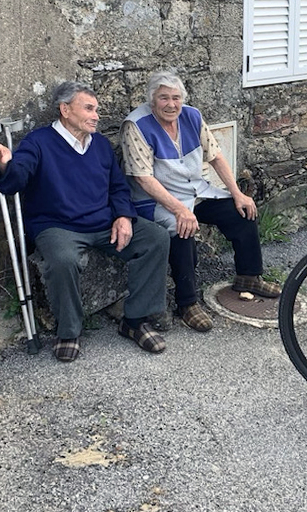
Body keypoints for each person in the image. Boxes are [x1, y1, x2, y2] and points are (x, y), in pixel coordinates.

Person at [0, 81, 170, 362]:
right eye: (89, 108)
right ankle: (69, 331)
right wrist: (5, 165)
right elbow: (15, 182)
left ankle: (134, 321)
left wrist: (123, 215)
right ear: (65, 109)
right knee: (62, 258)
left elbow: (117, 187)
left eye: (97, 109)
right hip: (57, 225)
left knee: (156, 238)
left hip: (103, 222)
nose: (96, 115)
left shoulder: (101, 146)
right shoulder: (39, 142)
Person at [119, 70, 281, 332]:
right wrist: (180, 210)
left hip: (195, 190)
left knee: (240, 211)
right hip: (156, 199)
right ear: (152, 100)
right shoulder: (136, 125)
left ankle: (248, 276)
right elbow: (142, 179)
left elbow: (215, 156)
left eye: (176, 98)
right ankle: (187, 303)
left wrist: (238, 193)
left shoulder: (192, 116)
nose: (171, 105)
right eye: (163, 98)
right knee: (180, 226)